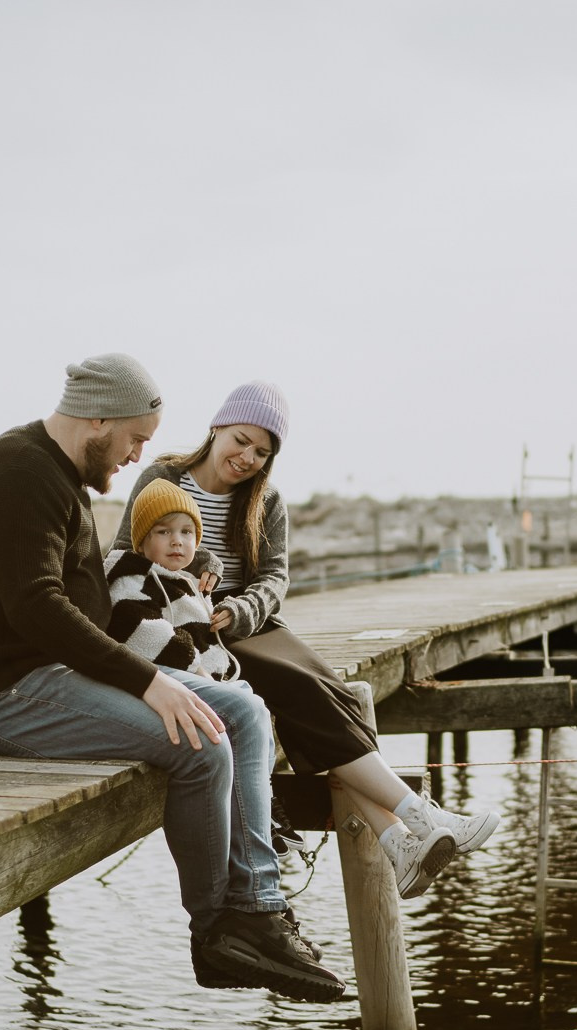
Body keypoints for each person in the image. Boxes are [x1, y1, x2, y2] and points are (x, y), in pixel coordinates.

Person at [0, 354, 344, 1002]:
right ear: (98, 417)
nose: (138, 456)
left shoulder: (57, 480)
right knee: (202, 742)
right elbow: (35, 606)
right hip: (1, 696)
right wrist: (147, 682)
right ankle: (217, 930)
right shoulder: (21, 473)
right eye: (135, 439)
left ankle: (258, 909)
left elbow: (92, 605)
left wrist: (178, 612)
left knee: (242, 710)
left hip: (53, 676)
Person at [113, 380, 503, 900]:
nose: (247, 457)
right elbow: (124, 556)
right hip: (187, 624)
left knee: (329, 691)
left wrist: (242, 608)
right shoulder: (162, 478)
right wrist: (191, 580)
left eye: (262, 452)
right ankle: (418, 819)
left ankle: (404, 842)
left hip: (243, 621)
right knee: (305, 694)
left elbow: (274, 579)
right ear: (218, 427)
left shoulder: (265, 500)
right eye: (242, 440)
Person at [103, 478, 237, 681]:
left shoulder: (187, 582)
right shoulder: (132, 579)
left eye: (186, 532)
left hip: (208, 678)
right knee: (247, 706)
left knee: (256, 699)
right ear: (141, 543)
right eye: (164, 531)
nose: (177, 541)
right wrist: (198, 671)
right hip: (170, 679)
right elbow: (145, 631)